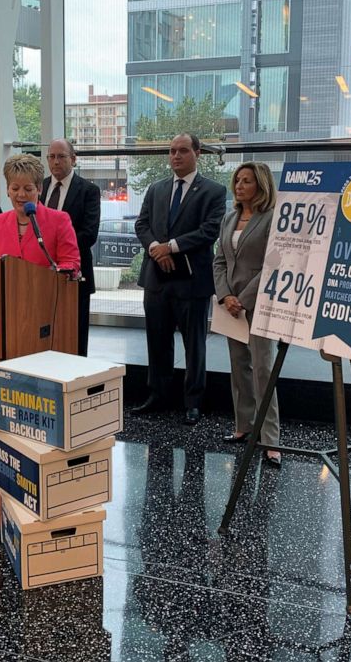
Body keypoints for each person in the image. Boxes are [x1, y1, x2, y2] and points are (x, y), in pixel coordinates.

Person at [133, 133, 226, 425]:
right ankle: (158, 395)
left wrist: (170, 247)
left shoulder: (214, 191)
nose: (176, 156)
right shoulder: (156, 189)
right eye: (172, 151)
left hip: (192, 282)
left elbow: (210, 230)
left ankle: (193, 402)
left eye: (183, 150)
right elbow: (142, 223)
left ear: (197, 153)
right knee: (156, 342)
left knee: (194, 345)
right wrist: (154, 250)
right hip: (157, 279)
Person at [213, 162, 282, 467]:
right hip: (231, 305)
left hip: (259, 303)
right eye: (237, 180)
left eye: (247, 181)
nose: (239, 186)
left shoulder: (272, 219)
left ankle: (270, 439)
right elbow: (219, 261)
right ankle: (244, 427)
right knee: (238, 365)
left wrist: (242, 298)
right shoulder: (229, 219)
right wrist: (226, 295)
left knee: (263, 369)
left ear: (261, 186)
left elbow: (273, 263)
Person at [42, 139, 101, 356]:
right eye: (51, 157)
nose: (55, 162)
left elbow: (89, 234)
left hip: (75, 276)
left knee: (75, 337)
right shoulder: (40, 186)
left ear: (73, 159)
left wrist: (56, 251)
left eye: (61, 156)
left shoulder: (89, 191)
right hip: (40, 274)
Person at [0, 153, 80, 273]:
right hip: (6, 291)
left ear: (39, 189)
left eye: (28, 189)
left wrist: (53, 273)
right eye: (15, 188)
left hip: (45, 290)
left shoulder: (59, 220)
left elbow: (71, 262)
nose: (21, 194)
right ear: (8, 190)